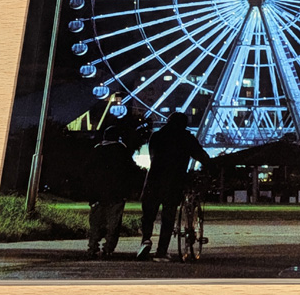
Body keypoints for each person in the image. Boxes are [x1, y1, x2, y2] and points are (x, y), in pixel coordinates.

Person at [136, 112, 211, 262]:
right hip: (174, 181)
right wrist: (210, 166)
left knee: (148, 214)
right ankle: (161, 251)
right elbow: (200, 155)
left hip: (154, 179)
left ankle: (146, 240)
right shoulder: (186, 138)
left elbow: (153, 156)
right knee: (168, 216)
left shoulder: (156, 136)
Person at [85, 125, 138, 259]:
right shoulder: (122, 150)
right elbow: (130, 170)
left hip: (98, 193)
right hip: (117, 192)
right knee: (113, 222)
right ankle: (108, 248)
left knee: (96, 221)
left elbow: (88, 171)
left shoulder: (96, 150)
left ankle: (93, 246)